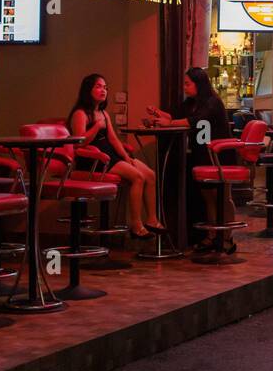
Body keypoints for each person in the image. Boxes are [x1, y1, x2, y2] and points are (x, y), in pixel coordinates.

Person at [149, 67, 237, 253]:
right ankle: (213, 235)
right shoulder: (191, 103)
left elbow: (196, 121)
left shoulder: (212, 103)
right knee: (208, 197)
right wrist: (159, 115)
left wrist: (170, 123)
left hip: (220, 156)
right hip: (202, 154)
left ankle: (228, 237)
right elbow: (177, 116)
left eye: (188, 83)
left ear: (199, 84)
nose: (185, 87)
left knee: (220, 196)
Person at [67, 74, 161, 239]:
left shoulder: (103, 113)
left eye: (105, 87)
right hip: (94, 159)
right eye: (98, 86)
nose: (103, 90)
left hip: (110, 153)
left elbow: (113, 139)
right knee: (138, 178)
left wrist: (127, 158)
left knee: (150, 175)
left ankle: (152, 220)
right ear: (87, 90)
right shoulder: (80, 114)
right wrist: (96, 127)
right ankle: (136, 224)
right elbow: (79, 142)